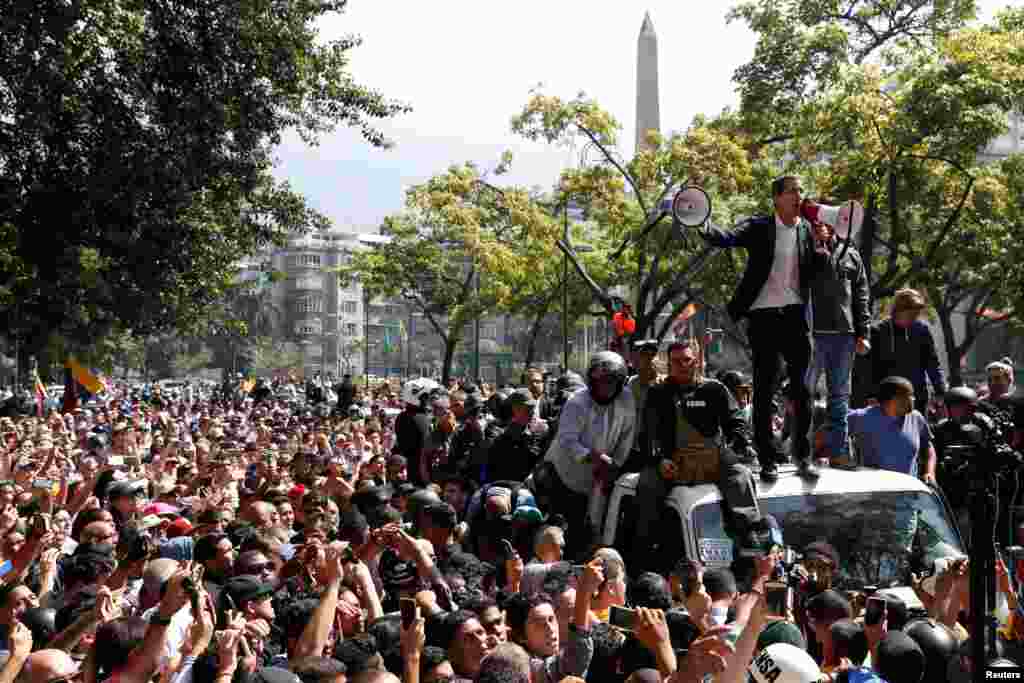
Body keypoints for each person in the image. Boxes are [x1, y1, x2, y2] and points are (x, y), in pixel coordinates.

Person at [699, 175, 819, 483]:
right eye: (792, 191)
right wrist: (702, 223)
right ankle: (767, 459)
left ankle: (803, 457)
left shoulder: (807, 229)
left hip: (795, 315)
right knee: (765, 389)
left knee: (803, 390)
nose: (798, 196)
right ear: (777, 198)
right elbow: (726, 238)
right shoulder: (759, 227)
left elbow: (814, 271)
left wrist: (825, 245)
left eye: (800, 190)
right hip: (763, 316)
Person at [633, 338, 772, 571]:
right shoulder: (657, 393)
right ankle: (646, 555)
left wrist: (732, 447)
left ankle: (750, 543)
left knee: (740, 475)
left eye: (687, 360)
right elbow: (647, 435)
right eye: (676, 361)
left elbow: (736, 423)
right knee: (647, 485)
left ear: (696, 362)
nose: (682, 365)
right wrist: (659, 460)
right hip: (673, 463)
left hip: (712, 460)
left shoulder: (714, 389)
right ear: (668, 363)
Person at [534, 351, 636, 558]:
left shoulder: (626, 398)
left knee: (595, 529)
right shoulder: (577, 402)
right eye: (601, 382)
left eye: (611, 382)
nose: (605, 388)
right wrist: (593, 457)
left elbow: (627, 435)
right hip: (565, 474)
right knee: (566, 528)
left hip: (599, 476)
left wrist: (615, 465)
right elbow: (567, 440)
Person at [806, 214, 871, 467]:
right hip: (812, 334)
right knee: (803, 392)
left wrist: (863, 333)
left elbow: (861, 297)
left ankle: (839, 451)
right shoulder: (804, 251)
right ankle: (802, 451)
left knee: (840, 397)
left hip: (844, 335)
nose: (820, 226)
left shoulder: (852, 255)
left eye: (825, 222)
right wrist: (816, 250)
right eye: (815, 223)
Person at [857, 288, 947, 415]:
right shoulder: (878, 331)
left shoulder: (922, 330)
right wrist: (871, 394)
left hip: (917, 398)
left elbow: (932, 362)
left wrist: (940, 390)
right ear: (899, 310)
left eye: (916, 314)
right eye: (911, 314)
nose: (914, 318)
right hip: (887, 400)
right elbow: (869, 368)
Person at [847, 376, 936, 484]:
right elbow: (834, 427)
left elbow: (928, 448)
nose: (913, 399)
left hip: (909, 489)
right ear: (892, 399)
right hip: (875, 490)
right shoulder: (864, 417)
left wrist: (930, 472)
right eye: (909, 395)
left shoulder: (916, 418)